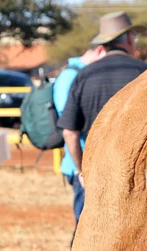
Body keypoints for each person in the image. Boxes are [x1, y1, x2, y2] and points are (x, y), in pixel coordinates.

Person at [58, 11, 147, 194]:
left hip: (95, 176)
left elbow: (69, 132)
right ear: (130, 39)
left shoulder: (83, 75)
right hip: (139, 178)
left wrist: (82, 170)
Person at [53, 42, 106, 235]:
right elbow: (68, 123)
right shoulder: (72, 75)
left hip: (87, 163)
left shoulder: (81, 74)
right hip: (80, 165)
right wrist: (81, 168)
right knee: (86, 229)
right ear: (100, 50)